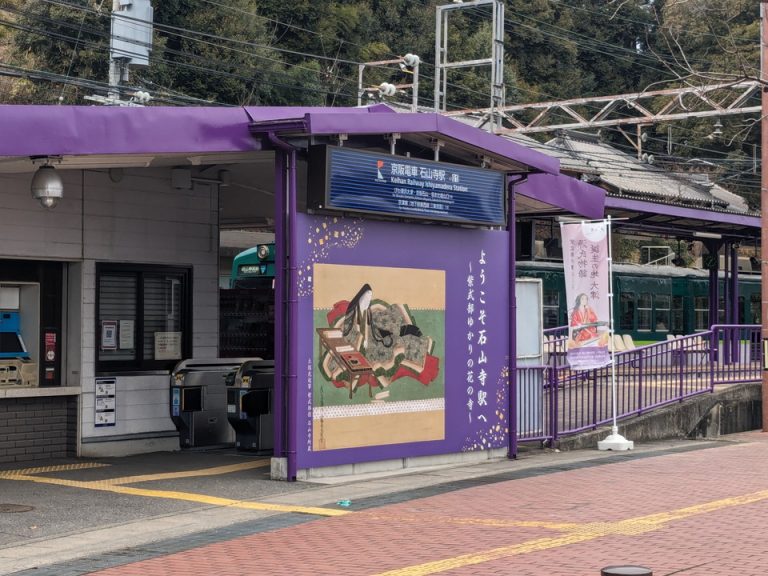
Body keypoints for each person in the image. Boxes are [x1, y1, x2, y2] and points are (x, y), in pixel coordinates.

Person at [342, 283, 421, 351]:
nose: (368, 300)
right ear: (361, 296)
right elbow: (356, 327)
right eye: (367, 297)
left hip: (372, 330)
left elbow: (367, 325)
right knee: (383, 342)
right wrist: (364, 339)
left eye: (370, 298)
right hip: (366, 334)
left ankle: (409, 331)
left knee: (390, 329)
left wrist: (366, 339)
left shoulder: (367, 310)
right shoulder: (354, 310)